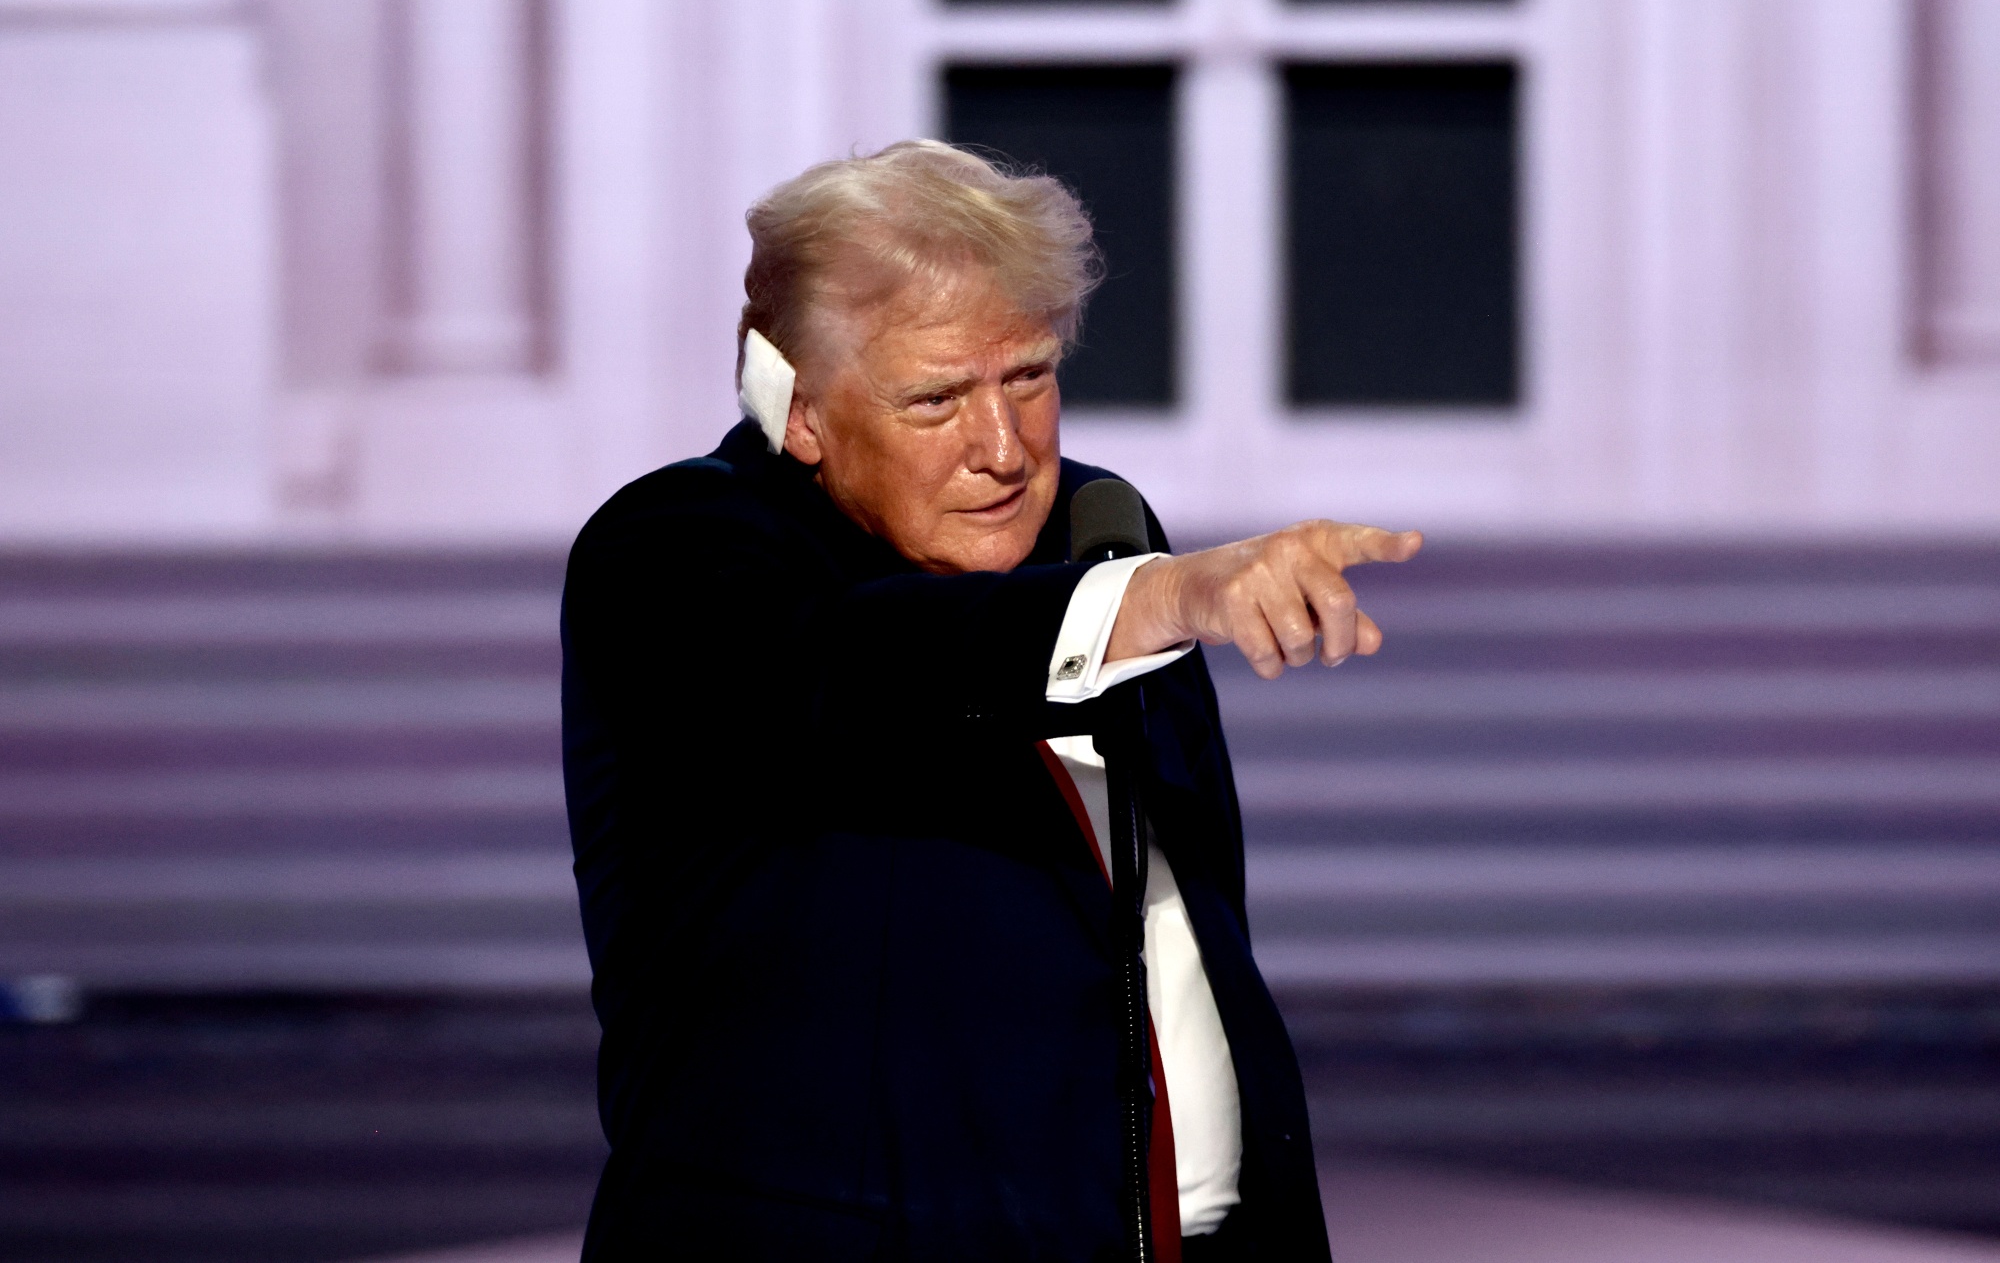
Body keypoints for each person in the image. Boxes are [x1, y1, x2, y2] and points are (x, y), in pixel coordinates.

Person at [561, 140, 1421, 1261]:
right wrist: (1162, 597)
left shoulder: (1101, 537)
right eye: (936, 399)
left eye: (1028, 377)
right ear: (798, 408)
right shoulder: (674, 550)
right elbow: (865, 667)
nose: (1003, 450)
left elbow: (1187, 933)